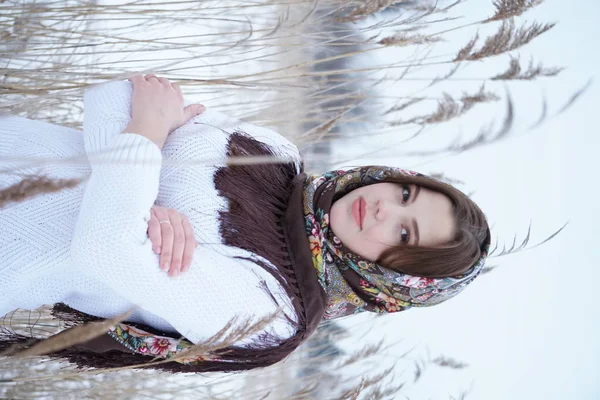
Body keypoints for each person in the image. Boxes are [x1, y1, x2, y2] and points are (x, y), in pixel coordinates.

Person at [0, 74, 490, 373]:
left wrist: (145, 141)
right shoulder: (276, 156)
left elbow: (103, 248)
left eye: (405, 234)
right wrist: (135, 173)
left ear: (394, 279)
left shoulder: (273, 315)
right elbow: (122, 95)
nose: (386, 209)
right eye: (405, 194)